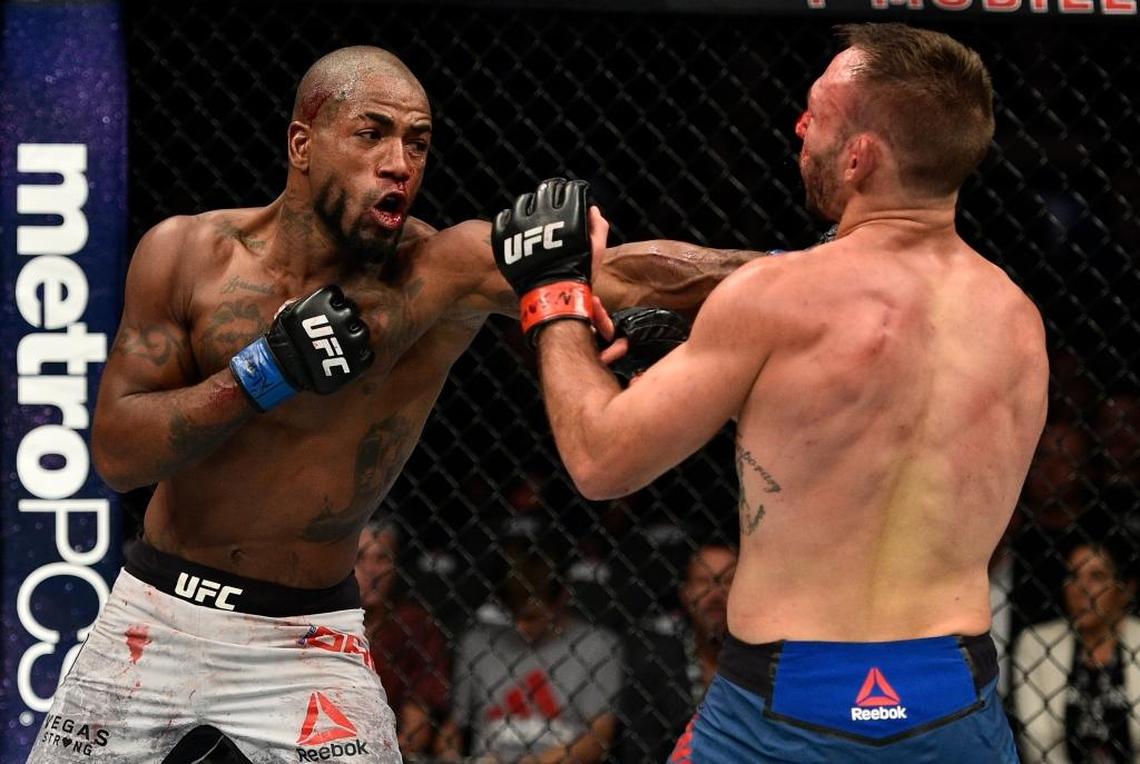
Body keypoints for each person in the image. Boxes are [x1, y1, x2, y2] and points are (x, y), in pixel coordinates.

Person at [27, 46, 755, 763]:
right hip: (153, 610)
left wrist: (822, 264)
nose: (400, 162)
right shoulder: (186, 254)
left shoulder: (445, 270)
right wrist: (259, 372)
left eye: (419, 142)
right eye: (372, 133)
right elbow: (119, 455)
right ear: (302, 143)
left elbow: (619, 272)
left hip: (307, 634)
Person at [492, 23, 1049, 762]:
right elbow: (870, 455)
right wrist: (722, 365)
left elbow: (600, 460)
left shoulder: (776, 298)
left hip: (785, 707)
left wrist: (551, 295)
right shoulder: (1018, 323)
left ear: (860, 157)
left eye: (817, 112)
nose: (798, 125)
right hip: (951, 699)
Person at [435, 548, 623, 764]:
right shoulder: (478, 643)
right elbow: (452, 728)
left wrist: (539, 762)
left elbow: (598, 737)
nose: (519, 626)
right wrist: (452, 757)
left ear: (561, 598)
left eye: (531, 617)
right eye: (512, 615)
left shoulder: (597, 646)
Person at [1012, 533, 1140, 763]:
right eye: (1073, 576)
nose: (1080, 589)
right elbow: (1036, 743)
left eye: (1097, 576)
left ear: (1126, 589)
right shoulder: (1036, 643)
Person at [619, 542, 737, 763]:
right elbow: (640, 747)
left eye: (728, 581)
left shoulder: (766, 664)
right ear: (686, 593)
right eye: (704, 581)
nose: (716, 593)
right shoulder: (657, 660)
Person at [356, 514, 450, 755]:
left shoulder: (415, 627)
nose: (371, 570)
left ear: (396, 566)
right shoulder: (322, 624)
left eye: (381, 558)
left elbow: (416, 732)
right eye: (360, 558)